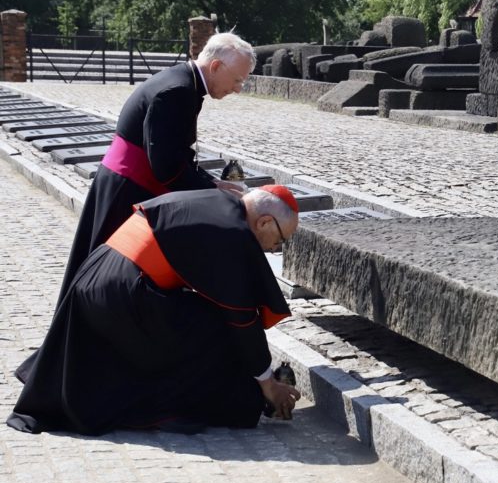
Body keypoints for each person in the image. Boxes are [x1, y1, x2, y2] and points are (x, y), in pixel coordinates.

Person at [7, 185, 303, 436]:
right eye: (280, 240)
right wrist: (266, 384)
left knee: (201, 316)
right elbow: (241, 318)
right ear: (264, 222)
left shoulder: (220, 203)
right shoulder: (234, 232)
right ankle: (185, 407)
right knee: (216, 328)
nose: (275, 249)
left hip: (98, 276)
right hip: (123, 293)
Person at [56, 32, 257, 301]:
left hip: (126, 184)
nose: (237, 88)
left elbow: (174, 151)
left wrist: (213, 182)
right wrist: (211, 191)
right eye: (237, 79)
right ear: (216, 66)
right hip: (127, 190)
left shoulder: (184, 82)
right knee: (105, 280)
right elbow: (167, 167)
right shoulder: (178, 91)